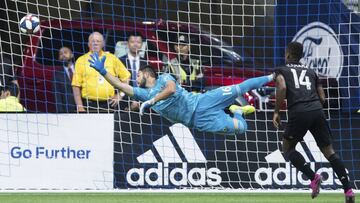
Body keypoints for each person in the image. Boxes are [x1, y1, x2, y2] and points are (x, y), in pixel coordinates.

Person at [88, 52, 274, 135]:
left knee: (239, 87)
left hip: (202, 101)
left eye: (138, 75)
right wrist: (103, 72)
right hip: (198, 121)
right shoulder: (142, 94)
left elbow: (171, 89)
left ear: (147, 74)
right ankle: (238, 111)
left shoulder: (164, 77)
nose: (136, 79)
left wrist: (152, 101)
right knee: (242, 129)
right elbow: (121, 86)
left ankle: (273, 75)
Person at [272, 42, 355, 202]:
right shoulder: (311, 71)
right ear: (301, 56)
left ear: (288, 54)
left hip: (299, 112)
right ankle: (348, 191)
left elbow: (282, 87)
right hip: (317, 111)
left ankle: (314, 177)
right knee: (330, 152)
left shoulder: (281, 70)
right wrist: (314, 108)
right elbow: (322, 97)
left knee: (288, 148)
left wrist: (276, 111)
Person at [71, 32, 131, 113]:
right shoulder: (81, 60)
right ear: (88, 44)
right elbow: (76, 85)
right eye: (92, 41)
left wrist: (120, 95)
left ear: (103, 44)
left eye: (98, 41)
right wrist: (79, 106)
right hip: (89, 105)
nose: (95, 43)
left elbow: (126, 77)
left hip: (109, 104)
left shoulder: (112, 59)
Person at [119, 32, 147, 111]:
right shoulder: (120, 61)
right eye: (132, 42)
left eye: (138, 42)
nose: (135, 45)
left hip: (142, 104)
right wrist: (131, 102)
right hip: (123, 104)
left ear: (142, 44)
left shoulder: (145, 62)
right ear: (128, 44)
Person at [52, 47, 76, 113]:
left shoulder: (80, 69)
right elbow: (58, 97)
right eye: (60, 54)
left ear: (72, 55)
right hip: (68, 111)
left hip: (83, 109)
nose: (63, 55)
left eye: (65, 52)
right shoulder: (56, 75)